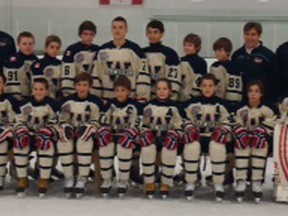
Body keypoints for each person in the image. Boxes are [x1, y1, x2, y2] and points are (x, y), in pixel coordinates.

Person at [183, 73, 231, 201]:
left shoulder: (222, 104)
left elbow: (228, 121)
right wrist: (190, 128)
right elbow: (186, 119)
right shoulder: (192, 104)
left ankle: (218, 183)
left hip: (213, 138)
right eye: (204, 85)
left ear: (216, 87)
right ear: (200, 87)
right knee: (191, 147)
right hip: (198, 137)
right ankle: (190, 182)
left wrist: (223, 130)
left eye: (210, 85)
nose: (207, 88)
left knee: (218, 147)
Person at [57, 72, 102, 198]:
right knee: (63, 141)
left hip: (88, 135)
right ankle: (69, 178)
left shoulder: (96, 101)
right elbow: (62, 120)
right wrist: (66, 127)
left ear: (90, 86)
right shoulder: (67, 101)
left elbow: (98, 121)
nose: (81, 88)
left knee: (84, 141)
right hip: (72, 133)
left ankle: (83, 178)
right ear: (74, 86)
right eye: (79, 85)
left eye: (85, 85)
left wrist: (89, 128)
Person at [98, 75, 142, 197]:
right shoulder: (109, 105)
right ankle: (107, 178)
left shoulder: (135, 105)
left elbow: (137, 122)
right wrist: (105, 130)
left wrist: (131, 133)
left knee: (124, 146)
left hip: (128, 138)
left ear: (128, 91)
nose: (120, 93)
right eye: (117, 90)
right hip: (113, 136)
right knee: (105, 147)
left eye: (123, 90)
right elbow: (103, 120)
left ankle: (123, 179)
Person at [233, 81, 277, 203]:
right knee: (241, 144)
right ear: (247, 93)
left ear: (261, 94)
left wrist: (261, 132)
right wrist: (242, 132)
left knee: (260, 145)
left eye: (256, 91)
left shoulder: (267, 110)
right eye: (251, 91)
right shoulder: (241, 110)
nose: (253, 94)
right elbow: (236, 124)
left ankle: (256, 181)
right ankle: (241, 180)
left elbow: (272, 124)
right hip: (246, 140)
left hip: (259, 141)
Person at [13, 78, 58, 197]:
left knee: (46, 143)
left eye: (41, 89)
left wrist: (47, 131)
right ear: (32, 90)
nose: (38, 92)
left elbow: (56, 122)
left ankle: (44, 179)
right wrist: (23, 130)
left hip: (46, 136)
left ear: (47, 90)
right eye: (36, 89)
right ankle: (22, 178)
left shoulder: (52, 104)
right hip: (29, 135)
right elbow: (19, 120)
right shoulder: (24, 103)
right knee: (20, 142)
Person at [140, 78, 183, 199]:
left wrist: (176, 134)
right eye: (158, 89)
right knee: (148, 149)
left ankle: (166, 182)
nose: (161, 91)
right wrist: (145, 133)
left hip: (168, 140)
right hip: (153, 139)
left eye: (164, 89)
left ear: (170, 91)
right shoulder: (149, 106)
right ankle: (149, 182)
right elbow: (143, 123)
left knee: (169, 149)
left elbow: (181, 125)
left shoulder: (175, 107)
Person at [93, 16, 150, 102]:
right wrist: (96, 98)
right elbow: (96, 75)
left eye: (120, 27)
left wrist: (142, 97)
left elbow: (142, 76)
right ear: (111, 30)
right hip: (107, 100)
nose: (117, 30)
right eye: (114, 27)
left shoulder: (136, 50)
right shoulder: (102, 50)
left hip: (130, 100)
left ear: (126, 30)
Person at [232, 22, 279, 104]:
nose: (249, 37)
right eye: (247, 34)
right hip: (242, 102)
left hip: (264, 102)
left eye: (253, 34)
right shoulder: (237, 55)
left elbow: (275, 80)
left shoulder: (268, 55)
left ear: (259, 35)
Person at [143, 20, 181, 101]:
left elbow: (174, 80)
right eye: (149, 32)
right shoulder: (141, 52)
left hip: (164, 100)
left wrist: (171, 99)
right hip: (146, 99)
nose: (152, 35)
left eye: (155, 32)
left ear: (162, 33)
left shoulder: (170, 53)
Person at [61, 21, 99, 96]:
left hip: (91, 92)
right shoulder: (72, 50)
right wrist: (69, 93)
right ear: (80, 34)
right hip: (75, 92)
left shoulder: (98, 50)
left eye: (91, 34)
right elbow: (67, 74)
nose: (88, 37)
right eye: (85, 34)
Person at [3, 31, 38, 100]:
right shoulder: (10, 62)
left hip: (30, 99)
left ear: (34, 45)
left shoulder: (37, 62)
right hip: (12, 99)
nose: (27, 46)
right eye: (24, 44)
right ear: (18, 45)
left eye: (30, 44)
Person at [211, 37, 243, 104]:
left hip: (227, 103)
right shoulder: (213, 66)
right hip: (215, 102)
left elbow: (234, 92)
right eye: (216, 51)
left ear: (228, 52)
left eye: (220, 51)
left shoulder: (233, 67)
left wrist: (231, 104)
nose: (217, 53)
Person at [0, 74, 18, 190]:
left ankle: (1, 174)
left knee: (3, 142)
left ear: (4, 84)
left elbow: (18, 119)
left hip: (8, 131)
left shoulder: (11, 100)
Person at [30, 35, 62, 99]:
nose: (55, 50)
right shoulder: (38, 64)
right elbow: (36, 85)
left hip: (58, 99)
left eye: (57, 48)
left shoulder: (61, 64)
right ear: (46, 48)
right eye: (52, 47)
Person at [180, 33, 207, 102]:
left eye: (189, 45)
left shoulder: (201, 62)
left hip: (194, 96)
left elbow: (200, 80)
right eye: (185, 45)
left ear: (197, 47)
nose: (186, 47)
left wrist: (194, 94)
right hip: (182, 94)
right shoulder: (181, 60)